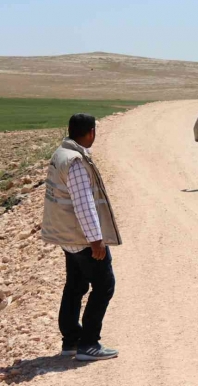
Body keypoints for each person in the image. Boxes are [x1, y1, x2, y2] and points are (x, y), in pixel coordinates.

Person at [42, 114, 122, 361]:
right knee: (104, 285)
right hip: (82, 237)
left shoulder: (61, 154)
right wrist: (96, 240)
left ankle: (71, 341)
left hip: (67, 236)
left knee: (75, 286)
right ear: (89, 132)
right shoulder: (75, 161)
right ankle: (89, 343)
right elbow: (84, 203)